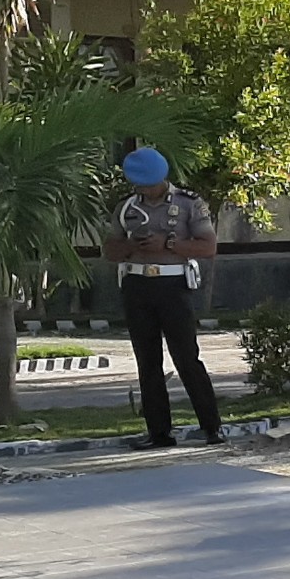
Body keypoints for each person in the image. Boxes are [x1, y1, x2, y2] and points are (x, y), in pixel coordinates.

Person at [102, 146, 223, 451]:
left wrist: (168, 243)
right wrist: (131, 244)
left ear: (162, 178)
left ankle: (212, 427)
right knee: (148, 361)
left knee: (186, 358)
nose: (143, 190)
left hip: (172, 285)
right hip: (137, 285)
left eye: (148, 184)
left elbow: (208, 246)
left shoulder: (188, 204)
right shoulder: (126, 207)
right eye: (138, 184)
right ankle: (159, 432)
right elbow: (110, 251)